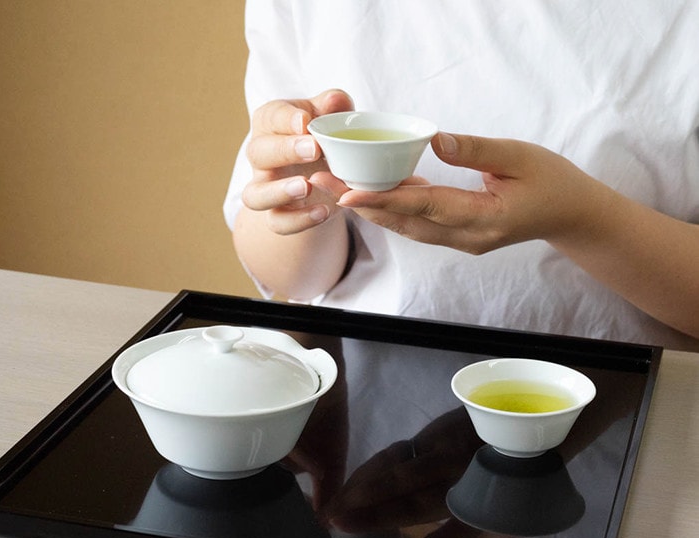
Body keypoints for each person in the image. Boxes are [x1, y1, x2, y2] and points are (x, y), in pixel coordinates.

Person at [224, 0, 699, 351]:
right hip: (381, 372)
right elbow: (294, 280)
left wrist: (581, 218)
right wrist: (300, 194)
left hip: (629, 389)